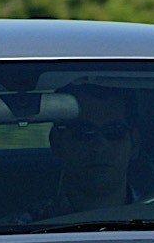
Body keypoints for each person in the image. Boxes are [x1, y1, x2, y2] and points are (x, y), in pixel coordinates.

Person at [8, 84, 139, 222]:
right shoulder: (17, 231)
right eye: (83, 131)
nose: (99, 146)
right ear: (57, 142)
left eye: (115, 131)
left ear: (134, 143)